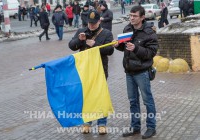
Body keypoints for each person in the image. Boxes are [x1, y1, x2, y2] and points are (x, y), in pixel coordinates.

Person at [113, 5, 158, 139]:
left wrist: (136, 48)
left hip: (142, 72)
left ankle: (151, 127)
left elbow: (151, 52)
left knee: (147, 100)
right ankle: (135, 127)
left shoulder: (149, 33)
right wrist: (118, 45)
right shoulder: (127, 28)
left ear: (142, 17)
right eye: (130, 16)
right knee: (133, 101)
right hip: (129, 71)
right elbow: (124, 48)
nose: (131, 18)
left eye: (134, 16)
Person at [68, 10, 114, 135]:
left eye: (94, 23)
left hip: (100, 70)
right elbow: (71, 46)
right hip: (84, 70)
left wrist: (95, 44)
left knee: (100, 97)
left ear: (99, 21)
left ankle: (102, 124)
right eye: (89, 23)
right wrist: (79, 40)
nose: (91, 25)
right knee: (86, 96)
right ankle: (87, 123)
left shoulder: (106, 33)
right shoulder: (81, 31)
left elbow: (110, 50)